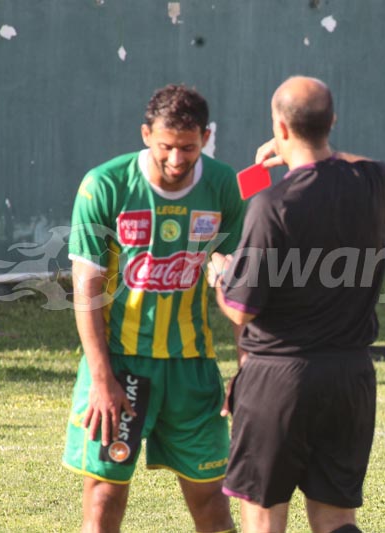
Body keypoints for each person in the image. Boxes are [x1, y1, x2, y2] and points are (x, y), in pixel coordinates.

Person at [211, 76, 385, 533]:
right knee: (337, 520)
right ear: (333, 124)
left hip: (279, 379)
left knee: (263, 519)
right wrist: (324, 152)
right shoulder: (373, 185)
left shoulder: (271, 205)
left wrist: (221, 274)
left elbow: (241, 309)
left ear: (280, 128)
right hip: (350, 378)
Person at [62, 84, 245, 533]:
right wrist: (101, 380)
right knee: (104, 499)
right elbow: (86, 289)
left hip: (192, 370)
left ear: (206, 136)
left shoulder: (224, 186)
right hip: (118, 367)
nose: (177, 159)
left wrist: (249, 368)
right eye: (166, 146)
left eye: (188, 147)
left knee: (212, 502)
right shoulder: (104, 185)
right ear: (146, 135)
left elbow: (241, 290)